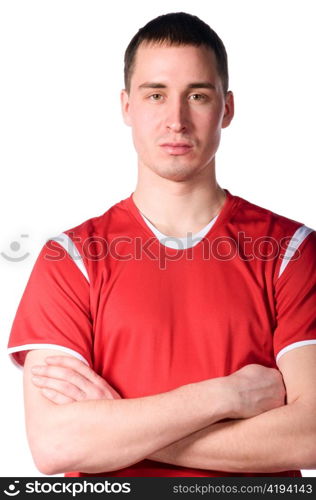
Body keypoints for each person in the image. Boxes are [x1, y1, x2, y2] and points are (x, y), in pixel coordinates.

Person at [7, 12, 316, 477]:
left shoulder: (291, 250)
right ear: (127, 106)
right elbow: (57, 443)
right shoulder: (69, 259)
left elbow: (310, 435)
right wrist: (225, 396)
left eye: (197, 95)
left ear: (226, 109)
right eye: (156, 95)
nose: (176, 119)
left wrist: (119, 425)